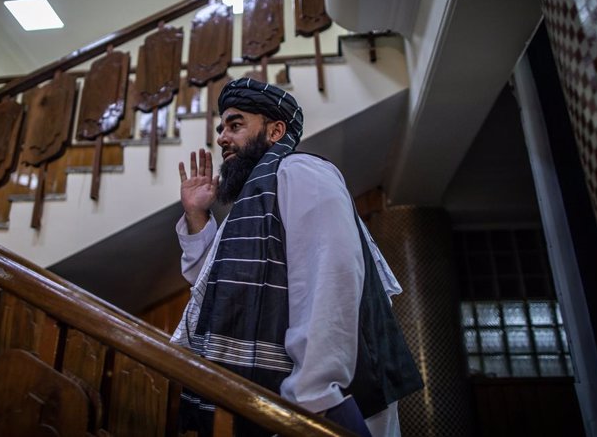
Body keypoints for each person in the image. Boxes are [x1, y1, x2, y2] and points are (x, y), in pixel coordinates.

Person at [172, 78, 422, 436]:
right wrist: (197, 215)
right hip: (279, 398)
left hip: (316, 402)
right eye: (221, 128)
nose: (222, 138)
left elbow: (331, 280)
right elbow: (214, 293)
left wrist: (313, 395)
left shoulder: (301, 172)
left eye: (235, 124)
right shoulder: (251, 205)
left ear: (276, 131)